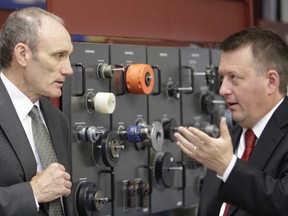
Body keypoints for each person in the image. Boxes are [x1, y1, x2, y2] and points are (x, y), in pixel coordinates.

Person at [174, 26, 288, 216]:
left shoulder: (224, 158)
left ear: (271, 81)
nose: (222, 90)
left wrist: (228, 167)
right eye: (222, 78)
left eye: (233, 77)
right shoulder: (229, 140)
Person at [0, 7, 73, 216]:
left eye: (68, 56)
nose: (68, 69)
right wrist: (32, 193)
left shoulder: (57, 120)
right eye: (58, 55)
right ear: (23, 54)